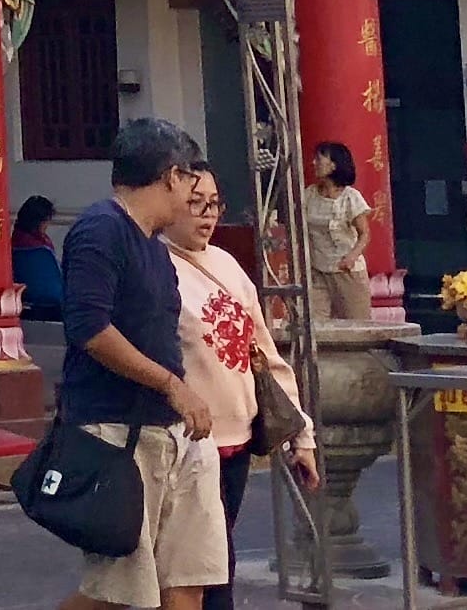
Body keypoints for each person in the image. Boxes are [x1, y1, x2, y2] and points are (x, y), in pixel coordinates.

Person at [55, 120, 228, 610]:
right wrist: (172, 385)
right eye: (192, 184)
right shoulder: (100, 228)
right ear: (172, 176)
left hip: (174, 431)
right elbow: (89, 329)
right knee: (118, 592)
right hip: (120, 429)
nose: (194, 198)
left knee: (188, 581)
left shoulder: (154, 245)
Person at [163, 160, 316, 610]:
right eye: (194, 204)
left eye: (213, 204)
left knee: (218, 558)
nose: (207, 215)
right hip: (185, 444)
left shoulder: (227, 264)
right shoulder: (153, 266)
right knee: (198, 569)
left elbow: (265, 356)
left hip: (236, 440)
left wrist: (301, 435)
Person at [301, 141, 373, 323]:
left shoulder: (350, 197)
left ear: (333, 165)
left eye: (319, 159)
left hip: (346, 271)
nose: (314, 163)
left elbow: (364, 233)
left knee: (357, 323)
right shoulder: (309, 194)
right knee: (316, 324)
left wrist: (351, 257)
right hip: (318, 270)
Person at [14, 194, 69, 320]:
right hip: (52, 309)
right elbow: (54, 289)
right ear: (39, 222)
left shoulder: (13, 246)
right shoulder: (41, 250)